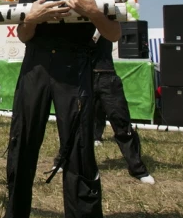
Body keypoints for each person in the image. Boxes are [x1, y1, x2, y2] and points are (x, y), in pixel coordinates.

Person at [0, 0, 121, 218]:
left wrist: (92, 13)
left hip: (74, 68)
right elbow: (24, 36)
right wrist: (32, 19)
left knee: (78, 150)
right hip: (36, 67)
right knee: (22, 144)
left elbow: (114, 34)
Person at [53, 37, 155, 185]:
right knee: (74, 122)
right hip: (83, 75)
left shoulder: (106, 17)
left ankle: (138, 169)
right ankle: (62, 160)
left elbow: (113, 33)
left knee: (121, 122)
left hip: (106, 74)